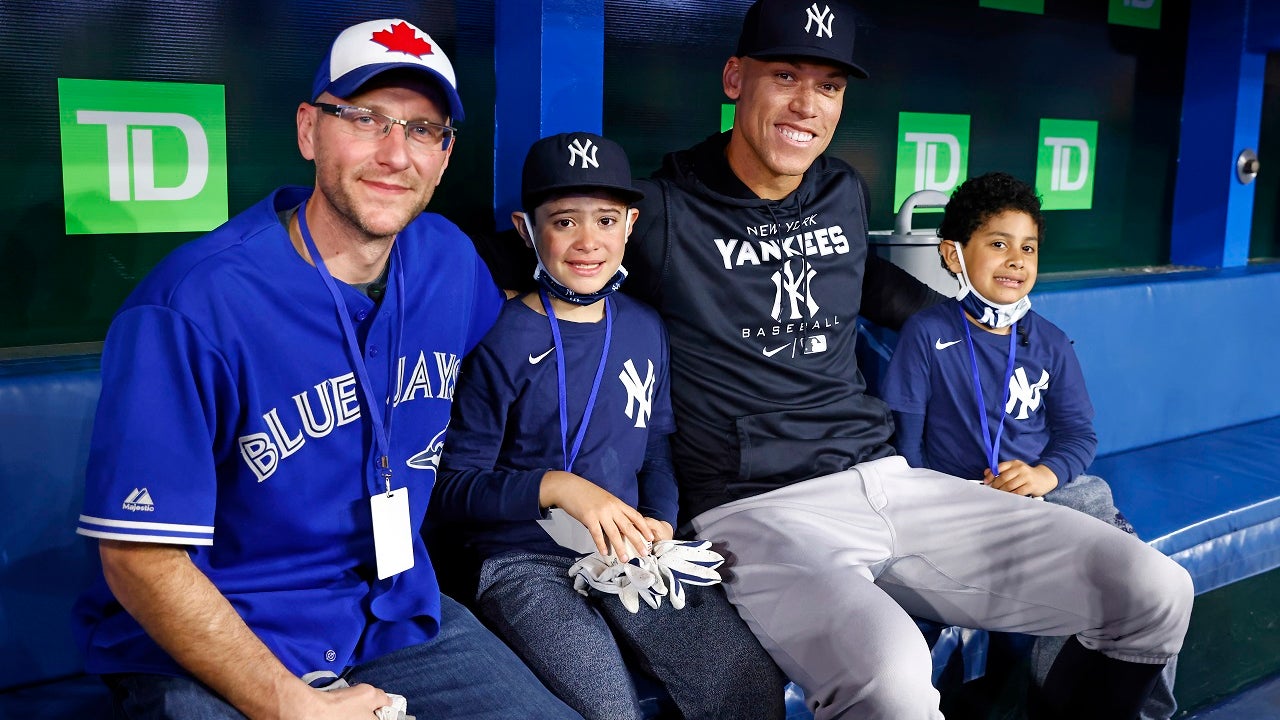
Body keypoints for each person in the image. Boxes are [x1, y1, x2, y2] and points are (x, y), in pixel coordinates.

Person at [620, 1, 1194, 719]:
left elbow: (883, 292)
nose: (807, 104)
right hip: (758, 507)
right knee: (893, 681)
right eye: (786, 76)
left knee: (1154, 589)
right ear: (736, 77)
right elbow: (542, 256)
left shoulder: (840, 192)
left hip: (889, 478)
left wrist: (987, 331)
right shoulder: (661, 211)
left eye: (829, 86)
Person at [72, 19, 580, 720]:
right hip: (223, 640)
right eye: (366, 119)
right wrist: (287, 704)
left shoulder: (448, 263)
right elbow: (139, 560)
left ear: (444, 155)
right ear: (310, 130)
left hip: (390, 620)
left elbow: (521, 343)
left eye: (422, 130)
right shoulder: (192, 305)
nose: (395, 153)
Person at [431, 132, 787, 720]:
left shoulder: (644, 326)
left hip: (628, 551)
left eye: (606, 219)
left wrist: (663, 523)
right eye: (564, 221)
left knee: (743, 680)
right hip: (522, 561)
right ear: (527, 229)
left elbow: (657, 454)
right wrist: (558, 487)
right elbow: (450, 488)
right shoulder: (499, 338)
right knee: (607, 705)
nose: (588, 241)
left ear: (631, 224)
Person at [880, 171, 1179, 720]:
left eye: (1028, 248)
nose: (1016, 260)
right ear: (954, 255)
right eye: (998, 244)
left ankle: (1135, 713)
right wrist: (943, 499)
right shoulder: (927, 333)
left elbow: (1079, 435)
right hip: (958, 499)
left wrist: (1045, 475)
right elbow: (906, 443)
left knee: (1140, 576)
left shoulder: (1051, 341)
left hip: (1046, 494)